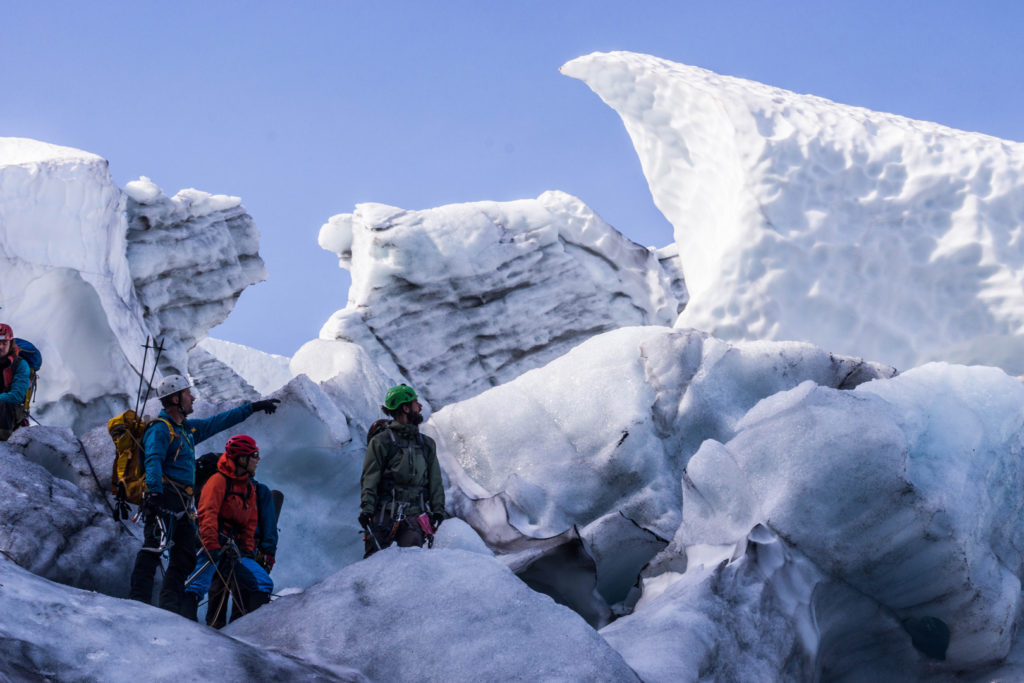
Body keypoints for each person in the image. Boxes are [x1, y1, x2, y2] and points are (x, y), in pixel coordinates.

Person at [127, 374, 279, 612]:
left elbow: (219, 421)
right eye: (188, 394)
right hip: (164, 496)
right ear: (176, 399)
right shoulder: (161, 428)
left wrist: (253, 407)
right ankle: (138, 600)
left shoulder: (186, 430)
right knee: (154, 546)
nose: (193, 398)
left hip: (182, 503)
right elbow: (153, 460)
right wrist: (154, 493)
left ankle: (170, 606)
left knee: (185, 555)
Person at [182, 434, 273, 622]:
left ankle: (251, 628)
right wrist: (212, 546)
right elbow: (208, 514)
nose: (258, 459)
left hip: (233, 550)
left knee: (262, 583)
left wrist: (247, 552)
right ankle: (185, 625)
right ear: (241, 459)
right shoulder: (218, 481)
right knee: (197, 585)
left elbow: (249, 523)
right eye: (254, 455)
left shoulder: (248, 488)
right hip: (213, 545)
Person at [359, 384, 445, 557]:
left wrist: (438, 510)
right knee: (374, 567)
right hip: (384, 514)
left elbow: (435, 480)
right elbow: (370, 478)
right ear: (405, 408)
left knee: (411, 569)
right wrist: (367, 509)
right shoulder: (381, 442)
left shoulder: (427, 444)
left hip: (414, 516)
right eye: (415, 403)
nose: (420, 407)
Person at [205, 455, 279, 627]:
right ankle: (242, 631)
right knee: (243, 593)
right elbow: (269, 526)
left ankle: (213, 631)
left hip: (221, 546)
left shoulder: (221, 487)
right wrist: (268, 553)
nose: (257, 460)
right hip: (247, 550)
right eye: (253, 457)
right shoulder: (260, 491)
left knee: (218, 590)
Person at [0, 324, 29, 441]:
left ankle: (3, 436)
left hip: (10, 412)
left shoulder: (20, 365)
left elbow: (17, 396)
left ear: (11, 344)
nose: (0, 346)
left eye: (4, 343)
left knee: (4, 403)